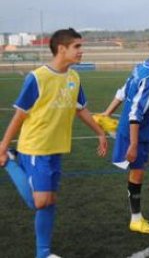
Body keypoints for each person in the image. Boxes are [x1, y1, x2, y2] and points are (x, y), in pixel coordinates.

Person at [0, 28, 108, 258]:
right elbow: (19, 115)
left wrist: (99, 132)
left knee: (50, 202)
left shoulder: (74, 78)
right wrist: (2, 146)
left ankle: (44, 254)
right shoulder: (37, 78)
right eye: (77, 46)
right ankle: (9, 161)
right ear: (62, 49)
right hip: (35, 147)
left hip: (57, 148)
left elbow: (81, 109)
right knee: (39, 201)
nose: (81, 51)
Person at [103, 36, 149, 234]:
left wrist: (106, 114)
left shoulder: (140, 67)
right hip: (136, 133)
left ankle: (136, 217)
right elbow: (136, 112)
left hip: (131, 130)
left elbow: (123, 92)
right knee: (137, 173)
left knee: (136, 172)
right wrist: (134, 144)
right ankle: (136, 219)